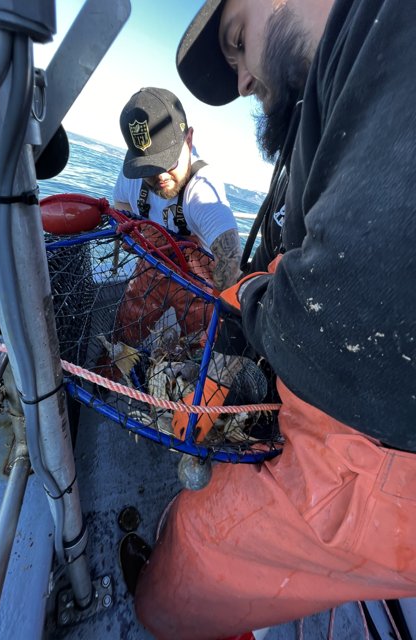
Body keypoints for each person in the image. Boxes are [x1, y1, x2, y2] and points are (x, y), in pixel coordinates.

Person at [129, 1, 416, 638]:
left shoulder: (388, 25)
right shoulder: (331, 103)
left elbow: (342, 312)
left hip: (380, 455)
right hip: (341, 395)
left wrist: (250, 297)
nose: (241, 83)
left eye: (238, 39)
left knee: (179, 570)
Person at [112, 87, 242, 346]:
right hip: (152, 266)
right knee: (124, 332)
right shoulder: (132, 175)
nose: (160, 176)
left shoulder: (202, 190)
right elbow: (121, 205)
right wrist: (140, 238)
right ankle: (110, 376)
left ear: (189, 139)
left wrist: (221, 320)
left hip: (198, 280)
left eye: (168, 163)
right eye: (149, 168)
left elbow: (231, 258)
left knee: (197, 346)